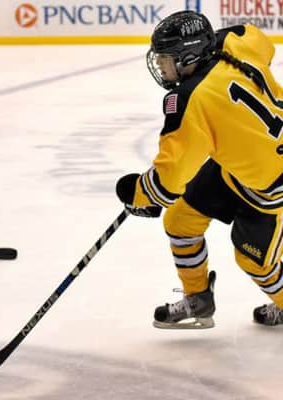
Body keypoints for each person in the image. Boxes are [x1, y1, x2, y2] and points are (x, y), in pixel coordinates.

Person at [116, 10, 283, 329]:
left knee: (255, 262)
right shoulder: (235, 44)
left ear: (188, 57)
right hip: (239, 167)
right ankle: (199, 299)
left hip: (272, 184)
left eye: (165, 58)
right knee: (180, 220)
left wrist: (137, 193)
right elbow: (260, 40)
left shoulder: (190, 99)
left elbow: (167, 183)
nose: (160, 64)